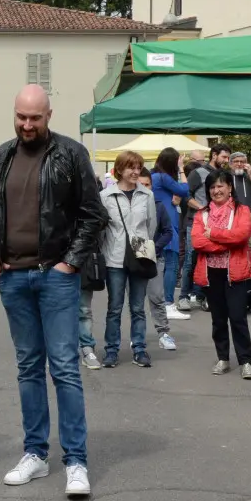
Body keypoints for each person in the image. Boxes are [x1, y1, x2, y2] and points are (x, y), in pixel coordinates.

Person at [0, 84, 107, 496]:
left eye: (35, 117)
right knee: (28, 367)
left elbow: (93, 216)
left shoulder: (70, 154)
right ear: (14, 114)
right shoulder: (1, 156)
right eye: (21, 117)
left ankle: (75, 461)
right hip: (13, 277)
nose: (27, 124)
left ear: (49, 115)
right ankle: (35, 453)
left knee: (66, 369)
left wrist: (70, 263)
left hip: (55, 275)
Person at [192, 169, 251, 379]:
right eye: (212, 187)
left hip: (235, 272)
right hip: (211, 273)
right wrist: (225, 244)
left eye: (220, 185)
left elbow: (241, 235)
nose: (216, 190)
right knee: (218, 319)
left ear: (230, 188)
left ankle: (246, 361)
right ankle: (223, 358)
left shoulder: (242, 211)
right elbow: (197, 241)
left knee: (238, 318)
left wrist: (214, 234)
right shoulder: (202, 214)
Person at [99, 152, 157, 368]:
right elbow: (102, 229)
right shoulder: (106, 196)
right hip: (114, 258)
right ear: (119, 170)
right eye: (130, 167)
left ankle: (139, 349)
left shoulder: (147, 195)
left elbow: (151, 226)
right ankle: (111, 350)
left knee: (138, 307)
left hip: (140, 256)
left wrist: (142, 245)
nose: (135, 172)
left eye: (138, 167)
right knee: (114, 307)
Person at [179, 143, 231, 312]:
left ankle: (202, 296)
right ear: (214, 155)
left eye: (228, 157)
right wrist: (202, 208)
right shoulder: (197, 173)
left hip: (216, 225)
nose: (226, 160)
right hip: (195, 222)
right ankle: (183, 297)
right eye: (224, 157)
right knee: (190, 259)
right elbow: (186, 195)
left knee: (210, 260)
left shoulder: (224, 175)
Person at [138, 168, 179, 351]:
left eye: (147, 184)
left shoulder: (158, 205)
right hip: (133, 259)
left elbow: (168, 232)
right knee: (136, 301)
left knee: (156, 297)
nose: (144, 187)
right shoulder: (130, 205)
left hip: (155, 257)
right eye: (141, 184)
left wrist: (154, 247)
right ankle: (136, 336)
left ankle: (163, 333)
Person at [150, 147, 191, 320]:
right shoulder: (163, 177)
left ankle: (161, 302)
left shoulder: (154, 176)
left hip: (159, 224)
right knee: (172, 264)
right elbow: (185, 189)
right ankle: (168, 303)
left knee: (163, 264)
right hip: (169, 223)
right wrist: (182, 168)